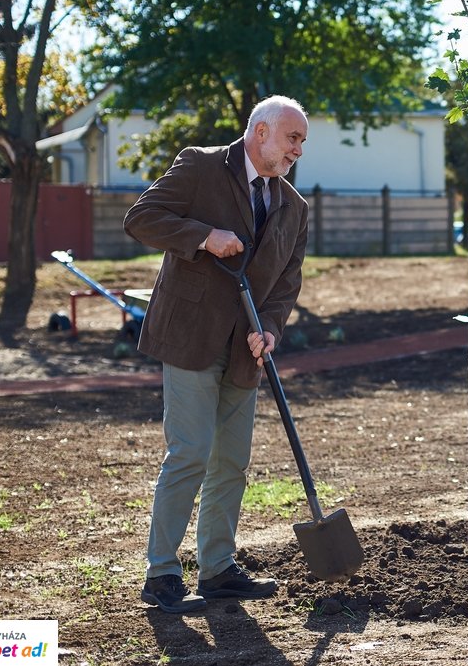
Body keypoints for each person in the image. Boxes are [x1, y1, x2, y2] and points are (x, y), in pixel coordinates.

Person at [125, 95, 310, 613]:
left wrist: (269, 330)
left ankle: (218, 568)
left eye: (302, 142)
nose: (298, 150)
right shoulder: (200, 166)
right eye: (293, 138)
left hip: (245, 349)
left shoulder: (294, 207)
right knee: (191, 452)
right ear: (261, 132)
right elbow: (141, 218)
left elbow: (286, 283)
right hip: (191, 334)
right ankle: (162, 574)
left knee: (231, 461)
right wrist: (204, 236)